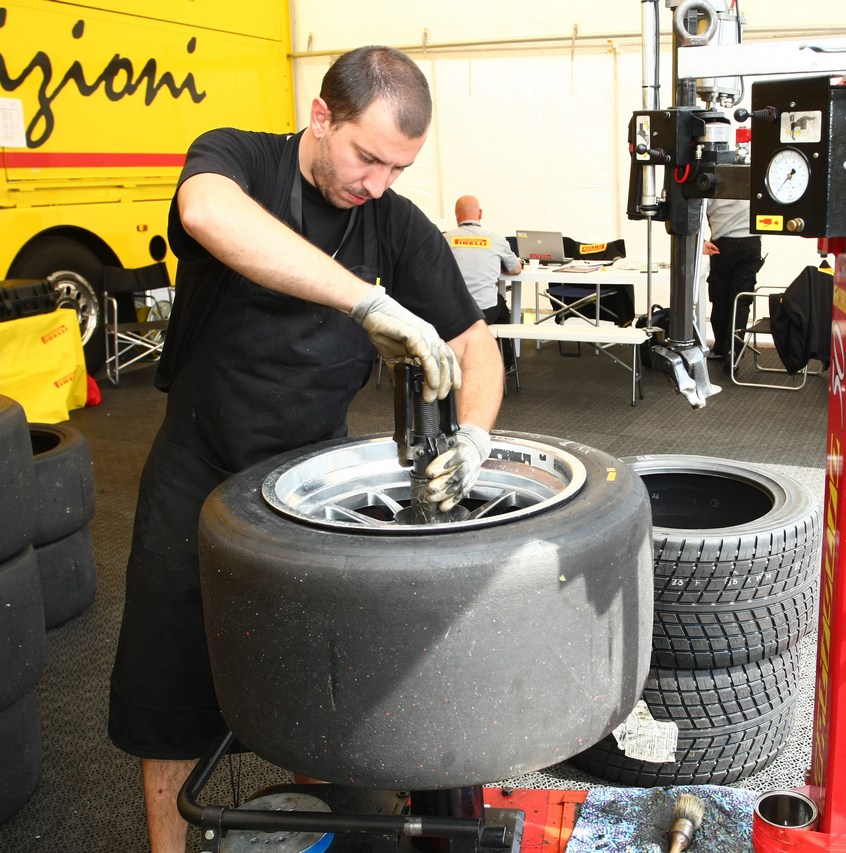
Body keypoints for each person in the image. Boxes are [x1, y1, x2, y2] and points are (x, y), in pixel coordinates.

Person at [107, 46, 503, 852]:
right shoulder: (240, 157)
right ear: (321, 116)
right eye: (368, 157)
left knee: (318, 676)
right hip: (198, 469)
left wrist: (477, 433)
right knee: (170, 681)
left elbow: (476, 343)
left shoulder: (393, 223)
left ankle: (330, 833)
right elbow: (207, 215)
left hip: (313, 485)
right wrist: (367, 303)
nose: (378, 184)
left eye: (399, 167)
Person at [442, 195, 521, 366]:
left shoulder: (444, 239)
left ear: (457, 216)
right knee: (502, 308)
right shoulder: (496, 239)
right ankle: (506, 363)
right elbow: (516, 269)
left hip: (452, 312)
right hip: (486, 312)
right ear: (480, 214)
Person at [702, 197, 765, 363]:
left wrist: (701, 240)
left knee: (720, 298)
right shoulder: (753, 176)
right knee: (741, 299)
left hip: (722, 243)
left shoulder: (712, 179)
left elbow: (699, 211)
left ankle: (721, 347)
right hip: (751, 242)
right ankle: (734, 350)